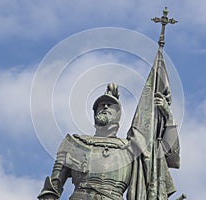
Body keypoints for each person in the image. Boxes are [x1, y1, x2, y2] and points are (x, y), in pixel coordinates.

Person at [38, 82, 178, 200]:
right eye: (101, 105)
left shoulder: (131, 148)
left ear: (118, 115)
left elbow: (166, 155)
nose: (104, 107)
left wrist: (168, 116)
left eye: (110, 105)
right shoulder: (74, 144)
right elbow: (52, 189)